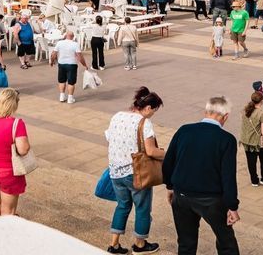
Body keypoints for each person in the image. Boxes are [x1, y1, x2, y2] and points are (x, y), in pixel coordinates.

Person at [162, 96, 241, 255]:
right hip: (211, 199)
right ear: (225, 116)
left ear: (206, 111)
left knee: (185, 242)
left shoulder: (184, 130)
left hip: (182, 195)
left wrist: (170, 186)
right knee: (226, 242)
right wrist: (232, 206)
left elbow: (168, 162)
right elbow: (228, 176)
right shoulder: (226, 139)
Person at [104, 87, 165, 254]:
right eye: (154, 110)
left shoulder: (117, 116)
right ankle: (140, 244)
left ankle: (114, 244)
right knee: (142, 208)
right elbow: (151, 151)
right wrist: (168, 154)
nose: (153, 113)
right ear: (147, 108)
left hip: (115, 172)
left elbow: (110, 140)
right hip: (136, 173)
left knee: (122, 206)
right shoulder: (144, 123)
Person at [239, 92, 263, 187]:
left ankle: (254, 180)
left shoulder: (245, 110)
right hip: (258, 141)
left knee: (251, 161)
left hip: (246, 140)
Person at [51, 31, 89, 104]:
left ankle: (62, 96)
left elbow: (54, 53)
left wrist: (52, 61)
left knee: (61, 81)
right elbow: (80, 56)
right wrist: (84, 65)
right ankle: (70, 98)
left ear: (65, 36)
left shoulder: (59, 43)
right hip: (72, 64)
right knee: (71, 82)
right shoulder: (75, 44)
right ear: (73, 37)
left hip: (61, 64)